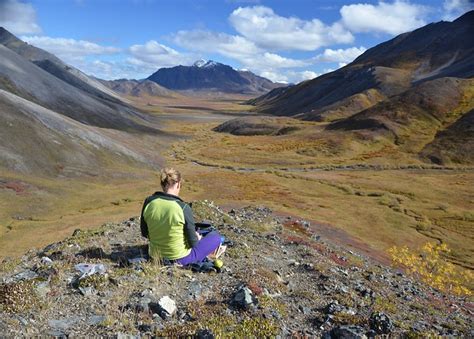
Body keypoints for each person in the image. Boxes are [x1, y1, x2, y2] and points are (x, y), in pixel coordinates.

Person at [140, 167, 223, 265]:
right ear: (178, 184)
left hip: (154, 256)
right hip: (180, 259)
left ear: (162, 184)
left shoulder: (149, 202)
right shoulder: (183, 207)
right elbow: (193, 243)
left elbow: (145, 233)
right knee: (216, 237)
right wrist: (197, 237)